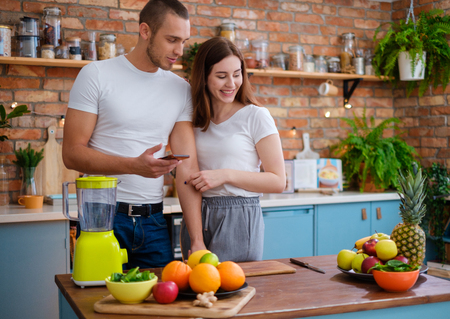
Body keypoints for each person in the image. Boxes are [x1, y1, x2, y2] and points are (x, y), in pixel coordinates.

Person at [62, 0, 205, 269]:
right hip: (103, 218)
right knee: (99, 306)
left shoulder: (180, 89)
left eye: (184, 41)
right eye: (172, 39)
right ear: (145, 31)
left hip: (153, 223)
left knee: (162, 307)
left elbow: (188, 166)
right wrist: (133, 166)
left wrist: (196, 240)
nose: (179, 50)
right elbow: (71, 154)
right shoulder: (96, 75)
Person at [180, 37, 286, 262]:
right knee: (197, 292)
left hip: (239, 215)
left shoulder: (256, 116)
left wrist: (225, 175)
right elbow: (186, 174)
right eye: (221, 76)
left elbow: (278, 181)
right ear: (204, 78)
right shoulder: (192, 120)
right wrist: (196, 238)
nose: (231, 84)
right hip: (196, 216)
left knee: (237, 290)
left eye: (237, 74)